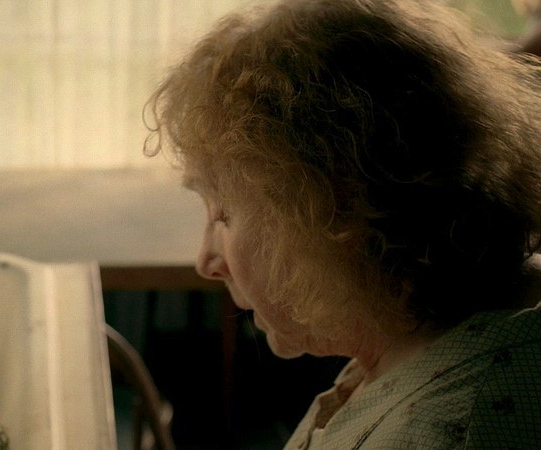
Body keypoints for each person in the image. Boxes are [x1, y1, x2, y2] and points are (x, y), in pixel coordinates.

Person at [144, 0, 541, 448]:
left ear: (336, 215)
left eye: (224, 214)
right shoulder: (441, 335)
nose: (206, 262)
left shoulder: (448, 431)